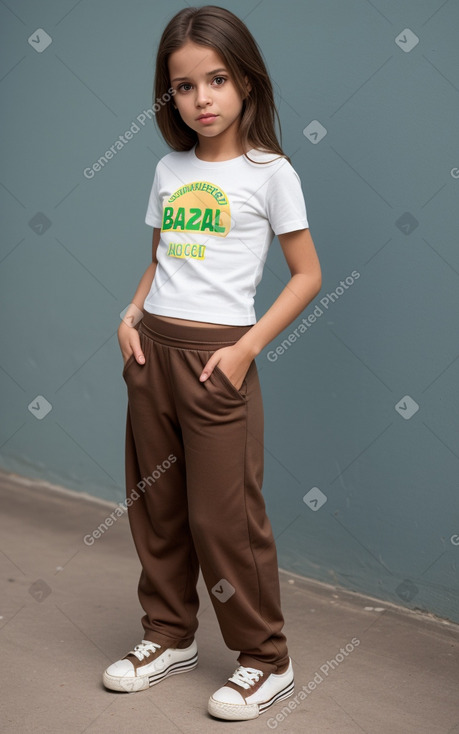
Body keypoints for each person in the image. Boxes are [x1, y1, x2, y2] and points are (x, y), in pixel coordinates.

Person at [102, 4, 322, 722]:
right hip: (152, 352)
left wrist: (244, 349)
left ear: (247, 84)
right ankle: (167, 636)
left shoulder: (269, 173)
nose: (202, 99)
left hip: (216, 362)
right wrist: (130, 315)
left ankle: (267, 660)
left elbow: (306, 275)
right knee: (157, 508)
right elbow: (161, 259)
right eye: (185, 85)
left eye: (217, 79)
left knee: (223, 520)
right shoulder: (169, 168)